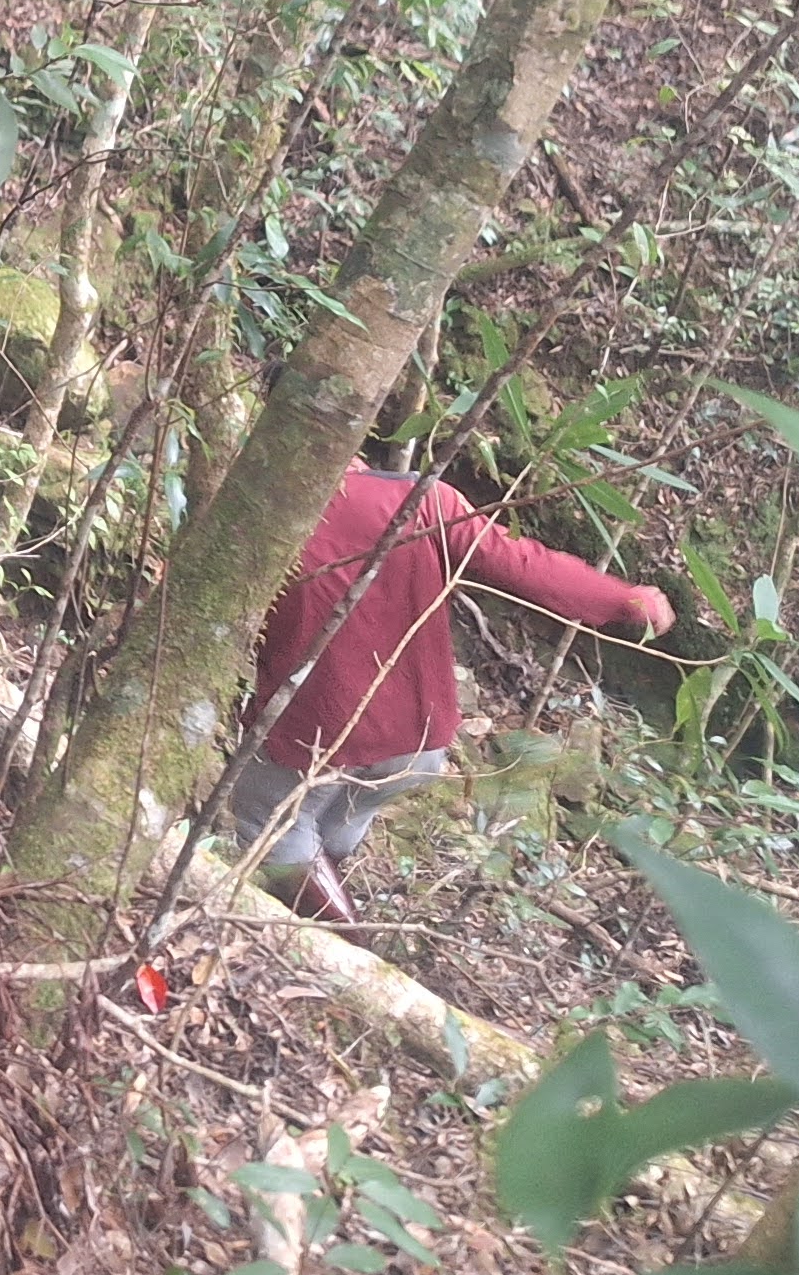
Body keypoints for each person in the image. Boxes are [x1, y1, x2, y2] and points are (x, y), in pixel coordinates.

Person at [230, 362, 674, 925]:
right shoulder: (422, 500)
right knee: (334, 822)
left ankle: (347, 947)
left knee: (269, 824)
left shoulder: (257, 522)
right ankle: (325, 912)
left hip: (314, 735)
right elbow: (523, 564)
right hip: (418, 741)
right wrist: (624, 598)